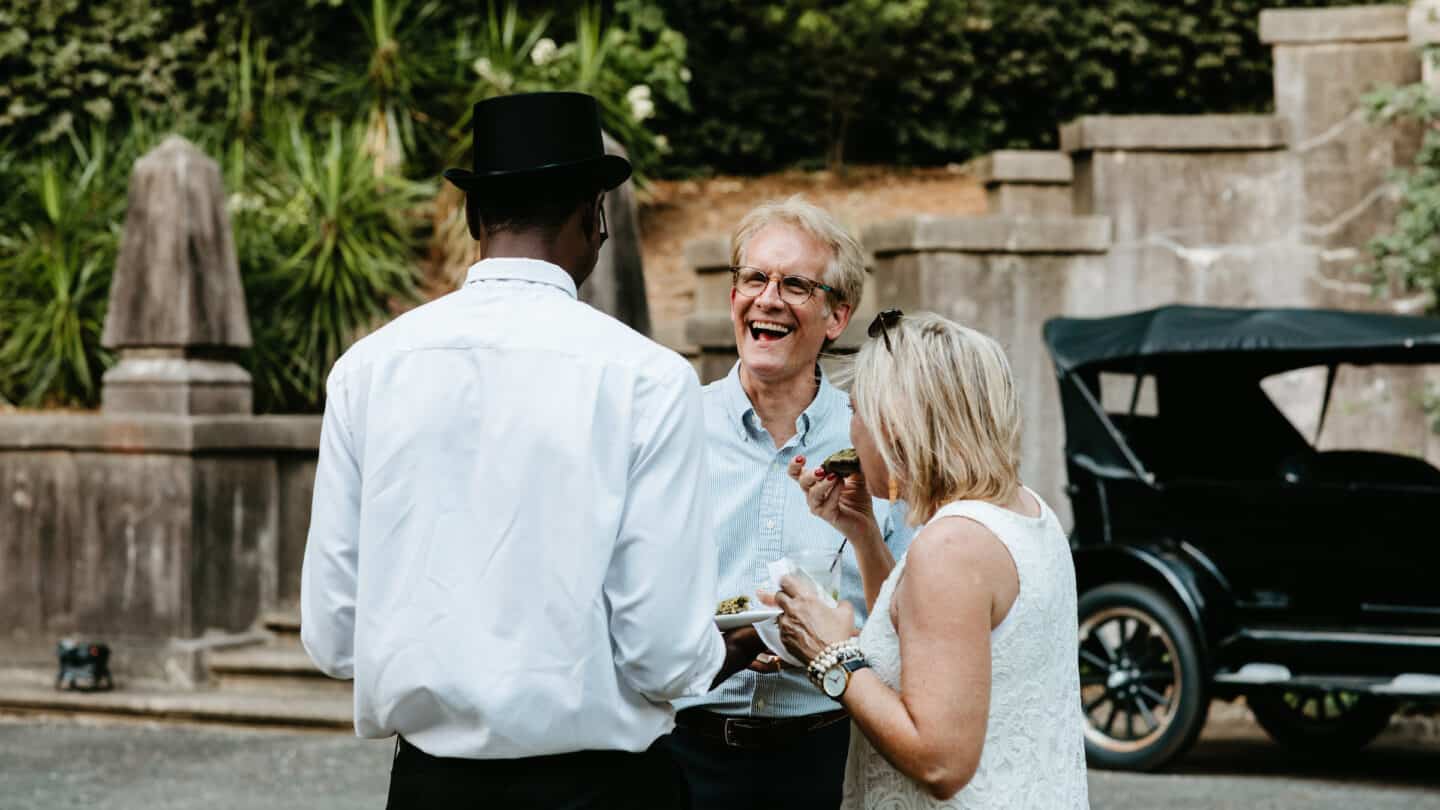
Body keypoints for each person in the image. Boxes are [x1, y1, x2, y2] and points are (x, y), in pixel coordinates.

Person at [300, 91, 761, 810]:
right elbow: (662, 647)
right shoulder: (648, 379)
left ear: (474, 217)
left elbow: (333, 637)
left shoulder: (369, 369)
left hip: (431, 788)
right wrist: (717, 655)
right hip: (602, 787)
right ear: (592, 217)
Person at [770, 311, 1089, 808]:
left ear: (897, 424)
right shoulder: (1023, 509)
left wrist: (830, 654)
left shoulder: (951, 546)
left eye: (857, 411)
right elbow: (919, 645)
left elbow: (941, 763)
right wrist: (864, 535)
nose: (851, 432)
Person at [661, 197, 914, 810]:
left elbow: (909, 611)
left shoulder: (877, 440)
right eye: (754, 278)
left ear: (836, 316)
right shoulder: (669, 428)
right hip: (682, 756)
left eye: (796, 285)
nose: (768, 298)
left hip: (825, 758)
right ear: (733, 296)